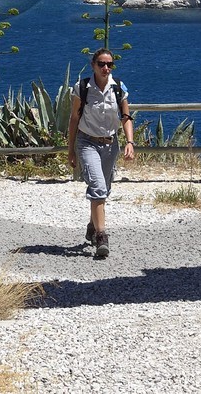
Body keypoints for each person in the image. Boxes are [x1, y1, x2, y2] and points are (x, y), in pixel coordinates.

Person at [67, 50, 135, 259]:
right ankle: (101, 237)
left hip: (110, 145)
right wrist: (71, 150)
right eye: (101, 64)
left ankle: (92, 225)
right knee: (98, 188)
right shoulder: (82, 88)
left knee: (104, 188)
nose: (106, 68)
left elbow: (126, 117)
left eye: (109, 64)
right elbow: (74, 119)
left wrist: (130, 142)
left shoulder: (118, 88)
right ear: (93, 65)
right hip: (87, 142)